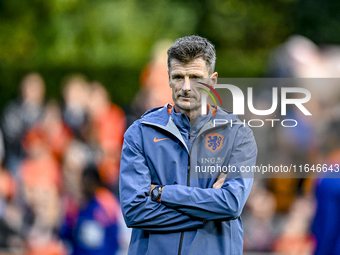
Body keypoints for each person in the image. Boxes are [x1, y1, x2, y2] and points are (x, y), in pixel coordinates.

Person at [119, 35, 257, 255]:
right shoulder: (140, 133)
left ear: (212, 81)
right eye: (178, 77)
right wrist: (207, 213)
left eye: (195, 77)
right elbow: (134, 212)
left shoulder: (238, 135)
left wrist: (162, 193)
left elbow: (231, 204)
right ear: (168, 79)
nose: (185, 87)